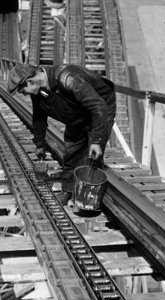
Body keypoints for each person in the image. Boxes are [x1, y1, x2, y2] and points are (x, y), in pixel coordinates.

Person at [7, 63, 116, 204]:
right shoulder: (38, 92)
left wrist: (96, 141)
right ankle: (68, 190)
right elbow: (39, 118)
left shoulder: (69, 79)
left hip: (100, 107)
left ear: (29, 81)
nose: (24, 94)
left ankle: (87, 199)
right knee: (71, 151)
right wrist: (40, 144)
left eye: (23, 91)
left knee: (91, 157)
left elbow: (98, 107)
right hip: (76, 111)